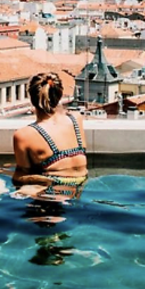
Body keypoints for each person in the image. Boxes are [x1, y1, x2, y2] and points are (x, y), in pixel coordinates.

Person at [11, 72, 88, 208]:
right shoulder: (76, 119)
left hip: (50, 192)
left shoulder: (24, 135)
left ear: (31, 98)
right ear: (59, 95)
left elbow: (20, 177)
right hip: (80, 188)